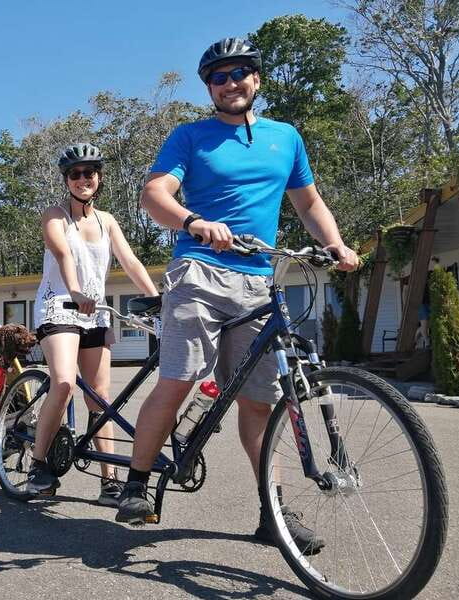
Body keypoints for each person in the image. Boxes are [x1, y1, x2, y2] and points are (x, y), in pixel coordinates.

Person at [114, 38, 359, 553]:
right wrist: (195, 222)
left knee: (260, 403)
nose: (230, 84)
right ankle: (136, 485)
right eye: (219, 78)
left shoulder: (285, 138)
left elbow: (309, 202)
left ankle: (273, 513)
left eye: (240, 74)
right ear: (209, 88)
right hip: (199, 270)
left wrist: (332, 242)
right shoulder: (191, 137)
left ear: (257, 79)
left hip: (256, 280)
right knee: (180, 378)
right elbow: (155, 194)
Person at [29, 143, 159, 505]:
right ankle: (38, 466)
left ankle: (110, 482)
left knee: (100, 399)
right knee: (65, 383)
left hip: (96, 312)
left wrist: (155, 298)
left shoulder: (107, 221)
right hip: (60, 306)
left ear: (99, 178)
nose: (83, 179)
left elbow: (130, 261)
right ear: (66, 180)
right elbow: (63, 253)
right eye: (75, 174)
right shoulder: (55, 215)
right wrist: (74, 289)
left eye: (89, 173)